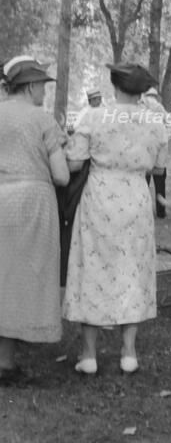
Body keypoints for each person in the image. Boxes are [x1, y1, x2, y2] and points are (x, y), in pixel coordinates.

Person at [62, 63, 168, 375]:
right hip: (135, 193)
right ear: (141, 90)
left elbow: (76, 161)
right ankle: (129, 352)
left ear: (114, 86)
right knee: (132, 267)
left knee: (93, 264)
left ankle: (89, 354)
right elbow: (160, 169)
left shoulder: (93, 117)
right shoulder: (155, 121)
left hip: (100, 194)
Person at [0, 57, 69, 384]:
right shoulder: (43, 120)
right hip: (33, 202)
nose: (44, 89)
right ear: (29, 86)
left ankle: (6, 356)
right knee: (26, 276)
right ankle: (6, 360)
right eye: (42, 84)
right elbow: (61, 175)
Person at [142, 87, 169, 218]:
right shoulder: (161, 109)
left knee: (143, 183)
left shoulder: (142, 109)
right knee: (160, 185)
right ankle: (161, 212)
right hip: (159, 150)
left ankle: (143, 211)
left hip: (146, 151)